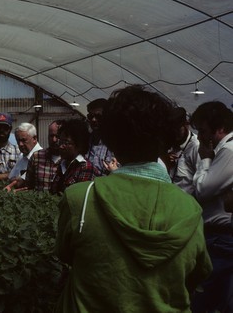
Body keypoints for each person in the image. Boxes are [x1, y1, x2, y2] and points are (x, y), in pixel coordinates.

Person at [54, 85, 212, 312]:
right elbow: (196, 275)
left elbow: (65, 254)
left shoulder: (81, 198)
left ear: (111, 140)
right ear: (165, 140)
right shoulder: (190, 210)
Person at [189, 101, 233, 313]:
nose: (199, 138)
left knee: (204, 300)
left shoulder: (229, 149)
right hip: (218, 237)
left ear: (220, 128)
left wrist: (204, 160)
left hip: (221, 238)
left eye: (203, 131)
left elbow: (203, 189)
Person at [49, 119, 97, 194]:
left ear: (79, 145)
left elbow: (80, 198)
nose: (61, 146)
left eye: (66, 143)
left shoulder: (86, 168)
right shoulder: (61, 165)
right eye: (60, 142)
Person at [160, 107, 200, 195]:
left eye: (177, 130)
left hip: (186, 199)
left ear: (186, 125)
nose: (174, 134)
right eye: (171, 131)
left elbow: (201, 182)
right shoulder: (168, 141)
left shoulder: (196, 146)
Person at [24, 120, 63, 192]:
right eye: (51, 136)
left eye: (57, 136)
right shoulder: (36, 157)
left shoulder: (68, 160)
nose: (54, 140)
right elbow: (29, 186)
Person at [4, 123, 42, 191]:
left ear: (34, 139)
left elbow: (19, 183)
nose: (20, 144)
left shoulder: (41, 158)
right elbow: (11, 178)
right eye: (18, 141)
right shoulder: (22, 155)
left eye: (24, 140)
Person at [84, 98, 116, 176]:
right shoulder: (85, 140)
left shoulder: (115, 142)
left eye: (98, 116)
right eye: (90, 116)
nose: (94, 120)